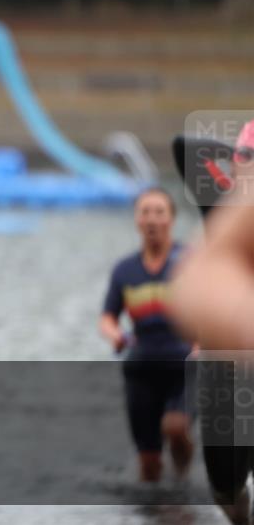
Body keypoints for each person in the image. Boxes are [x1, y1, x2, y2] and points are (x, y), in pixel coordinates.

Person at [169, 119, 254, 525]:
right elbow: (184, 144)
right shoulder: (220, 204)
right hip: (223, 369)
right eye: (245, 157)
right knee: (225, 488)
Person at [98, 187, 195, 482]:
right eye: (145, 212)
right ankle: (156, 497)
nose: (152, 219)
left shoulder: (191, 263)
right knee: (149, 464)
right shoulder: (125, 270)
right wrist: (115, 334)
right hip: (141, 369)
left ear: (172, 219)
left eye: (159, 212)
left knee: (175, 426)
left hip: (185, 366)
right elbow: (108, 316)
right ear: (137, 219)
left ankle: (183, 480)